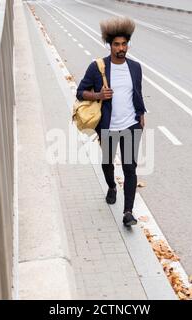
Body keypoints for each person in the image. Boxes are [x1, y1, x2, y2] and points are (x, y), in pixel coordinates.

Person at [76, 17, 147, 227]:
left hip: (131, 125)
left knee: (130, 168)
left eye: (124, 44)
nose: (121, 48)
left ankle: (128, 212)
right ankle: (111, 186)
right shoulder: (98, 68)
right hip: (108, 127)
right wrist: (99, 94)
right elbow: (80, 92)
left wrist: (141, 113)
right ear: (110, 45)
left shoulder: (135, 67)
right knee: (107, 163)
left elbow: (138, 93)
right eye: (116, 44)